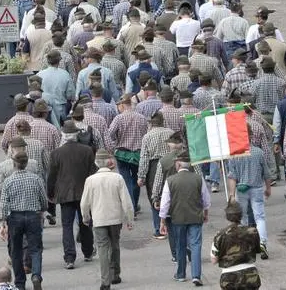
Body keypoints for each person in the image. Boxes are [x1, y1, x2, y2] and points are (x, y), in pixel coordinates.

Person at [81, 149, 134, 290]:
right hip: (115, 218)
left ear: (96, 163)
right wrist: (130, 219)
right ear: (109, 162)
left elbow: (84, 203)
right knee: (115, 245)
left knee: (103, 248)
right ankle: (115, 273)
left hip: (98, 219)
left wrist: (85, 217)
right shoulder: (117, 178)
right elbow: (126, 201)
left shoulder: (90, 180)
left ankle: (105, 281)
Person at [48, 120, 97, 268]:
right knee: (85, 223)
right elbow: (92, 172)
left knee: (67, 226)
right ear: (76, 135)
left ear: (63, 135)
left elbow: (52, 176)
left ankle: (69, 257)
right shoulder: (87, 151)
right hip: (84, 192)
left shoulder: (56, 153)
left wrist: (49, 192)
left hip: (64, 194)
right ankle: (88, 252)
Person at [158, 152, 211, 286]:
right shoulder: (198, 178)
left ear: (179, 164)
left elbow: (165, 203)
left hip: (178, 218)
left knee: (180, 245)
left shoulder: (170, 180)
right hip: (195, 216)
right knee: (196, 245)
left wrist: (162, 220)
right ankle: (196, 275)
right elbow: (205, 198)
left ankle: (181, 273)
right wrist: (205, 213)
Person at [0, 153, 47, 290]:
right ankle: (36, 275)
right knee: (36, 249)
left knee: (16, 251)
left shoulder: (8, 181)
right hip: (33, 217)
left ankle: (20, 282)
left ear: (14, 164)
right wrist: (42, 209)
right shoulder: (36, 179)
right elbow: (44, 200)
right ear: (27, 164)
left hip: (15, 218)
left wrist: (2, 223)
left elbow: (3, 205)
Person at [225, 126, 273, 257]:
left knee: (243, 217)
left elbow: (232, 176)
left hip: (241, 189)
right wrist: (268, 188)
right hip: (257, 187)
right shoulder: (259, 152)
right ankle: (262, 242)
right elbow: (266, 173)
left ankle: (245, 245)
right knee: (260, 217)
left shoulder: (235, 154)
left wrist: (231, 195)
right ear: (251, 136)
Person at [105, 94, 149, 215]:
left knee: (126, 180)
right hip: (138, 154)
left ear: (123, 105)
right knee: (136, 180)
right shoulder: (141, 118)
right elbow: (146, 133)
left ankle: (130, 208)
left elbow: (109, 133)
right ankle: (134, 204)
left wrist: (114, 143)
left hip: (122, 154)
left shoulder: (119, 118)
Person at [210, 201, 261, 290]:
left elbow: (214, 260)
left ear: (227, 217)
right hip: (250, 274)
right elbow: (257, 250)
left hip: (229, 277)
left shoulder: (220, 235)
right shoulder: (252, 231)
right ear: (241, 215)